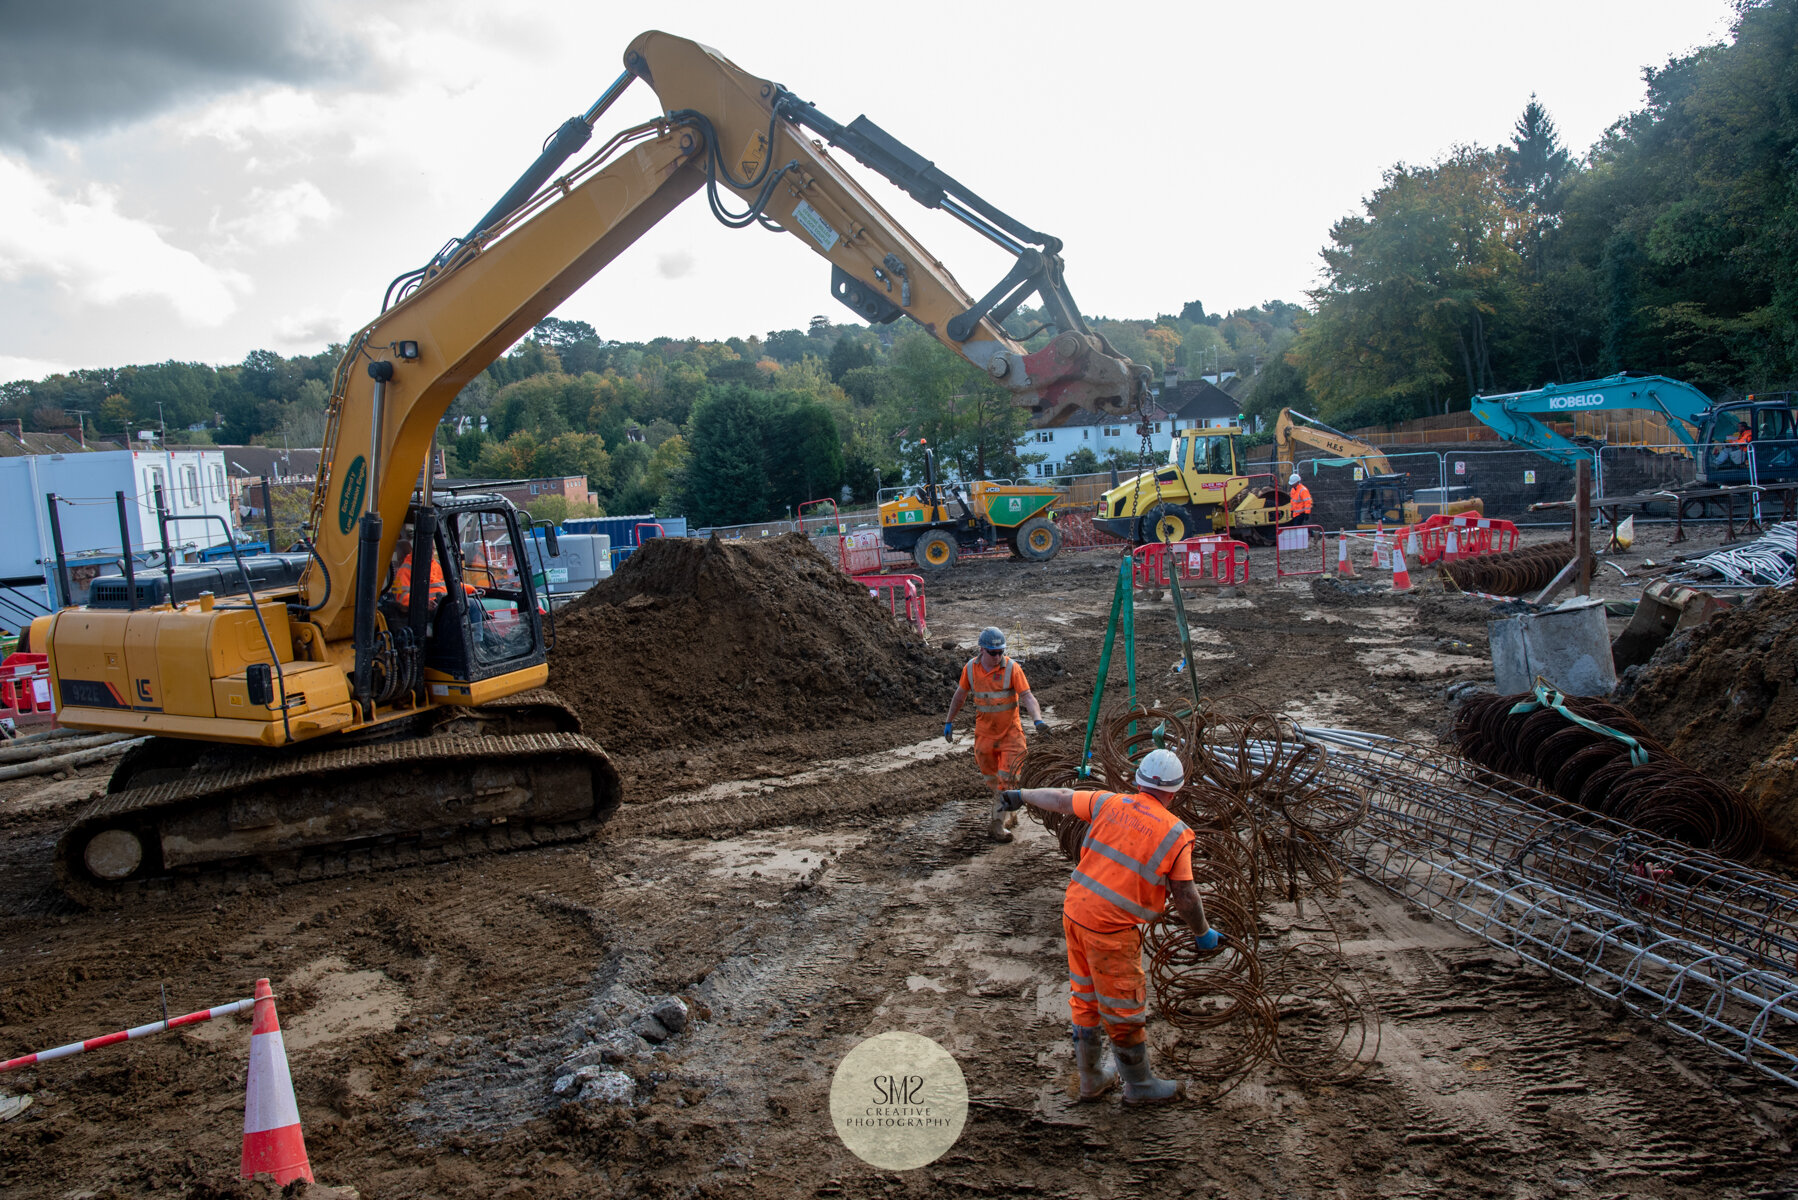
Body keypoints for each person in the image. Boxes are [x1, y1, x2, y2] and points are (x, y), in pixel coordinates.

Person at [997, 748, 1220, 1106]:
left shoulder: (1110, 803)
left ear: (1138, 780)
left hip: (1076, 911)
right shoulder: (1177, 834)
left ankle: (1091, 1079)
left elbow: (1062, 798)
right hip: (1111, 929)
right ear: (1175, 791)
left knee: (1085, 997)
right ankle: (1140, 1084)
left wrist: (1019, 795)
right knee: (1123, 1005)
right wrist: (1202, 932)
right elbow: (1186, 896)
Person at [944, 626, 1047, 843]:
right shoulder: (970, 670)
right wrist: (949, 721)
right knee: (993, 780)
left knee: (1007, 779)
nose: (998, 656)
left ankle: (997, 824)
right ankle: (1008, 811)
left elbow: (1027, 696)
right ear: (982, 650)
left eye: (1001, 651)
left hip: (1011, 735)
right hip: (985, 736)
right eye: (993, 653)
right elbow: (960, 695)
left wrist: (1038, 720)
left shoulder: (1012, 668)